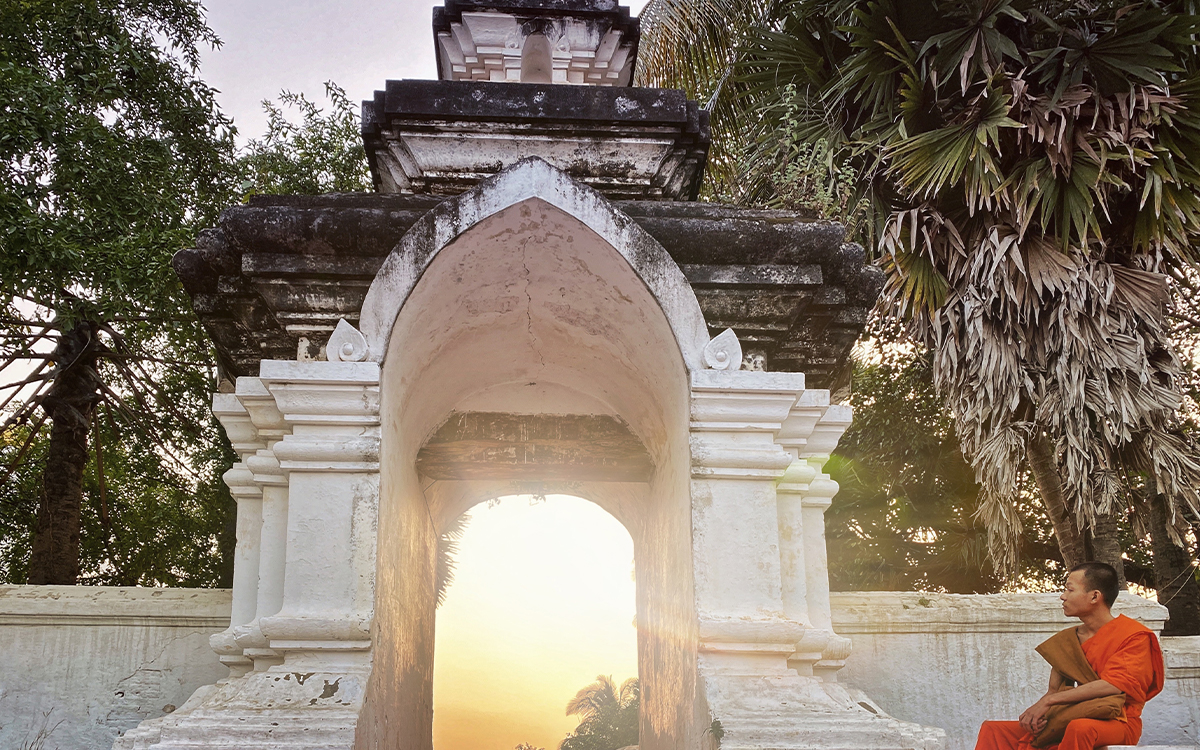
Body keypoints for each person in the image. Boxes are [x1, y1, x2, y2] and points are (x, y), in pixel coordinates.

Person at [975, 562, 1164, 750]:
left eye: (1070, 589)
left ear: (1094, 596)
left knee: (1080, 728)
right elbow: (1053, 691)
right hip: (1074, 714)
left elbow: (1114, 685)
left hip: (1119, 721)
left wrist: (1049, 701)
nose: (1063, 596)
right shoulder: (1069, 640)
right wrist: (1037, 716)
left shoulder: (1134, 636)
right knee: (994, 730)